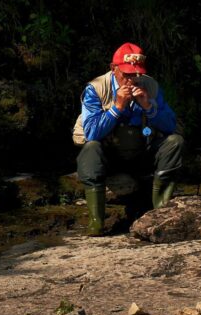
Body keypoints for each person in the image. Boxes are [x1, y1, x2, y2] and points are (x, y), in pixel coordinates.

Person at [72, 42, 183, 235]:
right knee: (90, 149)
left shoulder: (151, 86)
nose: (131, 80)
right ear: (113, 68)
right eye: (126, 74)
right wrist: (117, 107)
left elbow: (170, 126)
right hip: (110, 158)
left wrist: (148, 107)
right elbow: (91, 133)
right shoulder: (96, 88)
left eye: (136, 74)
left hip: (143, 154)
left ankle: (161, 215)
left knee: (175, 142)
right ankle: (96, 223)